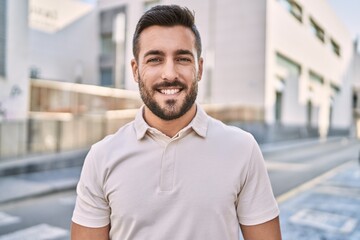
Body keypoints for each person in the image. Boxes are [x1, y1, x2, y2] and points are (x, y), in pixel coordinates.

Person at [71, 4, 281, 240]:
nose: (169, 74)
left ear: (199, 69)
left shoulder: (243, 149)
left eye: (182, 58)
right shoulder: (101, 157)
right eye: (154, 59)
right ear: (135, 70)